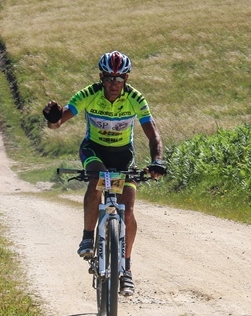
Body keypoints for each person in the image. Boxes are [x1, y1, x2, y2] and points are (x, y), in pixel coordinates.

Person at [42, 51, 166, 296]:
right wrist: (53, 119)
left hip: (123, 156)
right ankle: (88, 238)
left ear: (127, 79)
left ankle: (126, 270)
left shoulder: (135, 98)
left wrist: (157, 161)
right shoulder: (89, 93)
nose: (113, 84)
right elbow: (58, 123)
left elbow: (153, 134)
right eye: (109, 78)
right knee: (97, 178)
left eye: (119, 79)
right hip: (94, 150)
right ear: (101, 76)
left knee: (128, 210)